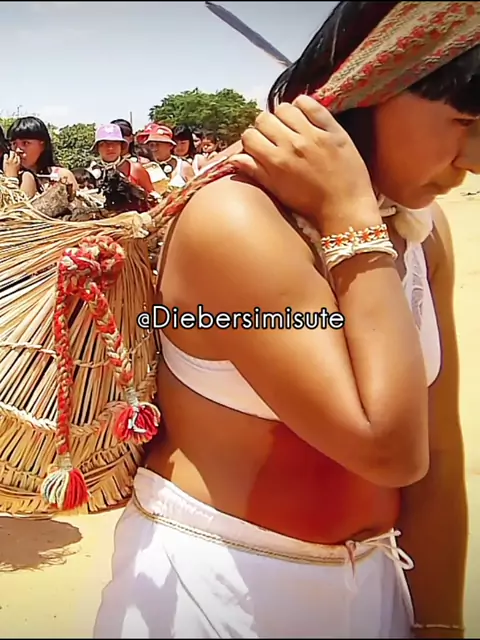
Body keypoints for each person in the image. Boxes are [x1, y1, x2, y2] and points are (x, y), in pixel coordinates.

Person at [94, 2, 475, 638]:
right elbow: (389, 448)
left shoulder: (419, 231)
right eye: (464, 121)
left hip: (377, 582)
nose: (476, 158)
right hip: (219, 589)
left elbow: (440, 453)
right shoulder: (236, 221)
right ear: (371, 89)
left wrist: (440, 626)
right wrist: (351, 217)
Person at [6, 116, 78, 197]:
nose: (18, 150)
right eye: (14, 144)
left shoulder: (62, 175)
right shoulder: (5, 177)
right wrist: (11, 179)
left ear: (42, 145)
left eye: (25, 143)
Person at [90, 123, 156, 195]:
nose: (110, 148)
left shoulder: (135, 169)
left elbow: (152, 196)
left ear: (121, 146)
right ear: (97, 148)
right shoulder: (91, 172)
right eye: (103, 144)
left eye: (115, 143)